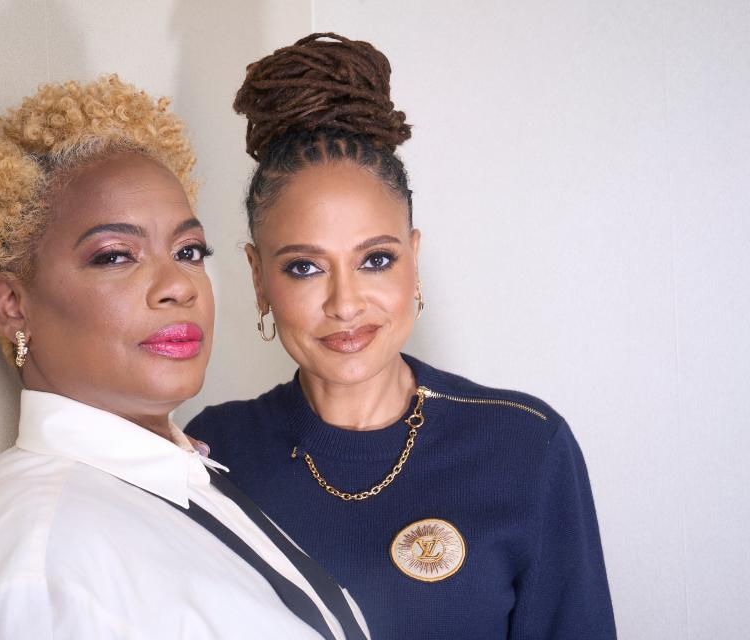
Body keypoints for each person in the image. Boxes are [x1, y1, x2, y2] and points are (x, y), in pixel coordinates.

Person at [0, 76, 368, 640]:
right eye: (117, 255)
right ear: (13, 305)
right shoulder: (36, 573)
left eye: (189, 251)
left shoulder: (179, 478)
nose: (179, 286)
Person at [187, 33, 617, 639]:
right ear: (258, 279)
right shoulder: (212, 453)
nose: (344, 304)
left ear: (413, 259)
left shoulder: (525, 447)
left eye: (376, 259)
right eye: (304, 267)